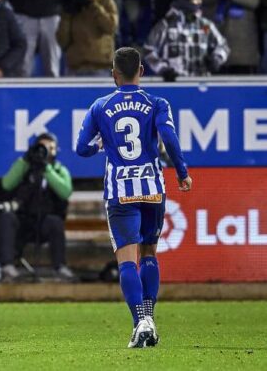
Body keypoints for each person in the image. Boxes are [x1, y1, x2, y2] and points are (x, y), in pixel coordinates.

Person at [76, 47, 192, 348]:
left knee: (127, 260)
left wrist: (101, 142)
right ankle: (149, 319)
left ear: (113, 73)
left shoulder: (100, 106)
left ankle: (140, 320)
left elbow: (81, 147)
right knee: (150, 254)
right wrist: (181, 172)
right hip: (153, 188)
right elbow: (169, 138)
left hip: (120, 191)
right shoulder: (156, 103)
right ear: (141, 71)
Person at [0, 132, 74, 282]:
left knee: (56, 223)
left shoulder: (59, 170)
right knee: (7, 218)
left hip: (45, 220)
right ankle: (6, 266)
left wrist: (47, 169)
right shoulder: (24, 165)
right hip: (23, 220)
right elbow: (6, 184)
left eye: (51, 148)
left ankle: (60, 267)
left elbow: (65, 192)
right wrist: (25, 161)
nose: (46, 151)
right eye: (43, 147)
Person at [144, 0, 230, 80]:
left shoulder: (204, 25)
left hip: (200, 83)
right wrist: (163, 69)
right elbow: (149, 51)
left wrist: (217, 58)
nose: (199, 2)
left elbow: (222, 45)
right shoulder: (165, 26)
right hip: (175, 83)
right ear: (184, 2)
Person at [58, 0, 118, 77]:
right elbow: (62, 41)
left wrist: (93, 4)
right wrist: (67, 16)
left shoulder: (105, 2)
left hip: (100, 68)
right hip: (75, 69)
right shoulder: (70, 9)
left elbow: (110, 27)